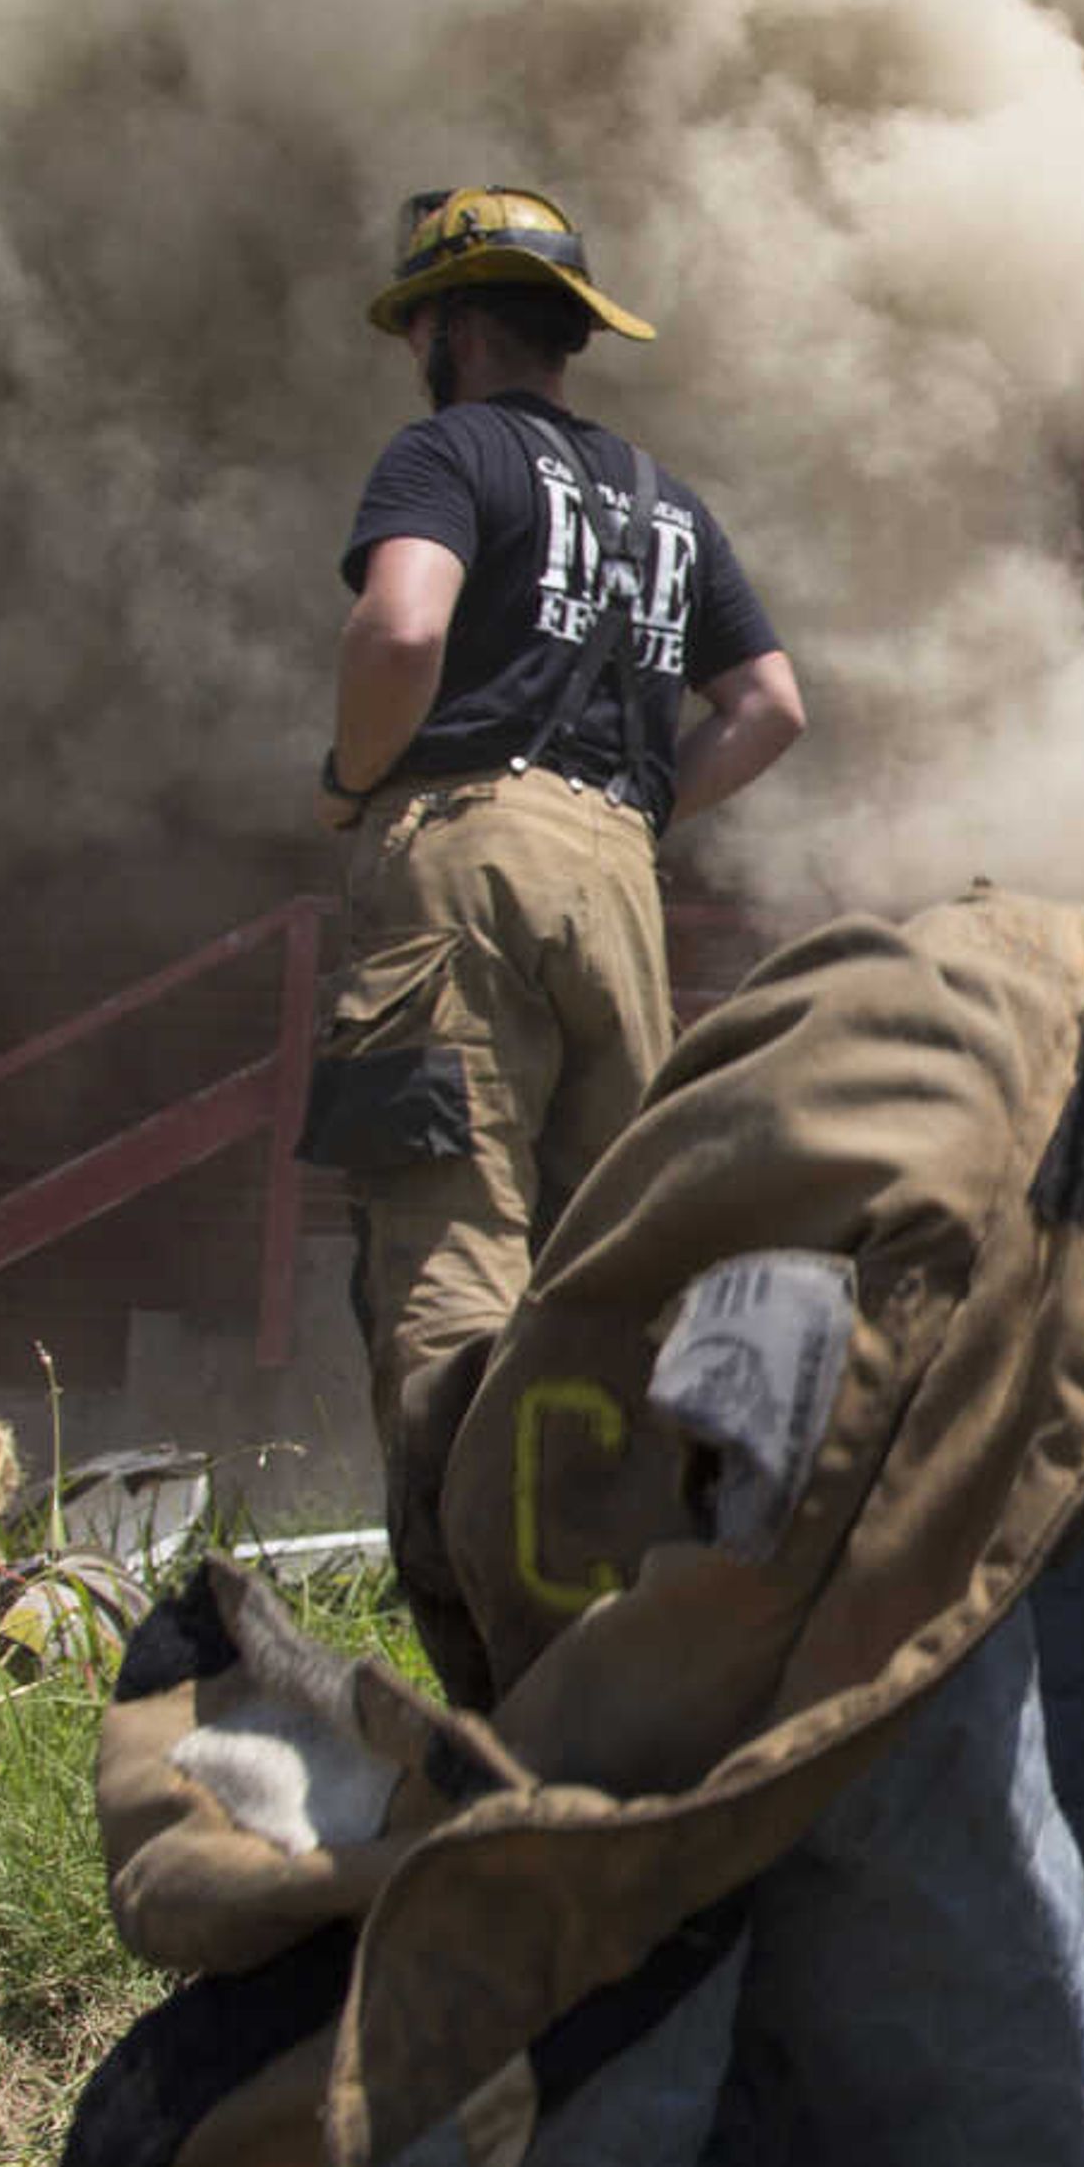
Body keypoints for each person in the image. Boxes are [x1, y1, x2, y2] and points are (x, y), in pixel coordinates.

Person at [300, 184, 806, 1515]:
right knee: (611, 1251)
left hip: (461, 851)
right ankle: (603, 1588)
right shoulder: (669, 503)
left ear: (449, 329)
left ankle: (459, 1584)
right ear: (570, 332)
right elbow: (769, 710)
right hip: (619, 877)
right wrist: (631, 809)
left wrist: (353, 780)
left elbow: (402, 633)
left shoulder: (448, 455)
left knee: (448, 1237)